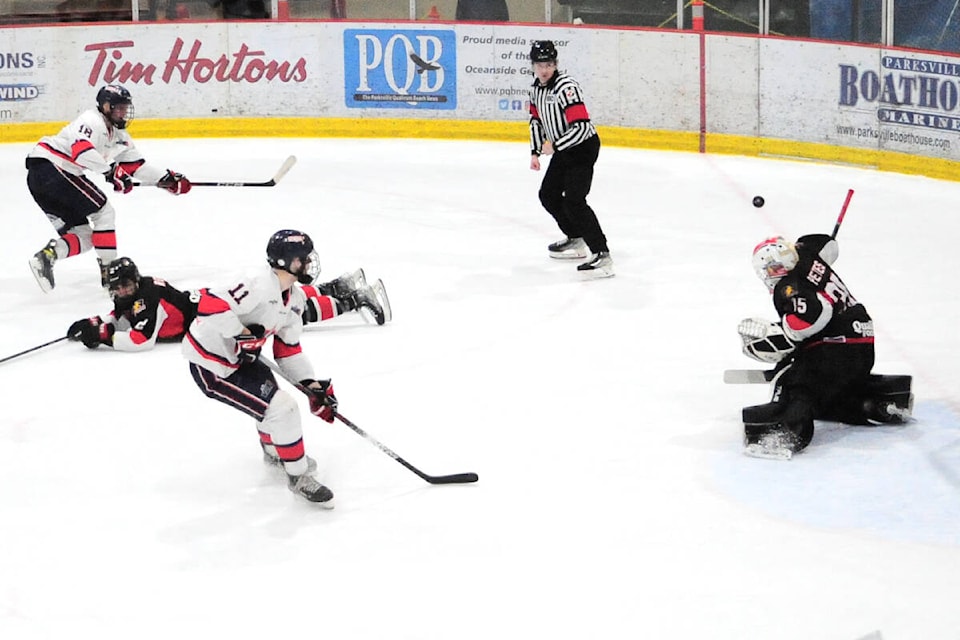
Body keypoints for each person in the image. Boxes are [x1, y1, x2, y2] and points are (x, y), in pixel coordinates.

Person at [181, 229, 345, 505]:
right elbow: (209, 305)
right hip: (211, 363)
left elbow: (288, 349)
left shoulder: (294, 299)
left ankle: (274, 451)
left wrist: (310, 385)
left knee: (273, 404)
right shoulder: (255, 283)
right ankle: (298, 476)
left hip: (243, 358)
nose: (308, 264)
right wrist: (240, 332)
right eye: (302, 259)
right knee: (282, 409)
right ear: (284, 261)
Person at [737, 233, 913, 459]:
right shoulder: (807, 254)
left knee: (799, 385)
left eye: (773, 269)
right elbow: (828, 245)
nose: (771, 274)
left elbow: (817, 313)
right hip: (862, 343)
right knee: (827, 395)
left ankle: (785, 434)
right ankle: (875, 403)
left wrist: (785, 333)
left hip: (836, 350)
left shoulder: (789, 285)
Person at [26, 84, 192, 293]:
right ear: (105, 106)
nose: (123, 112)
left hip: (43, 178)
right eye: (118, 108)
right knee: (104, 212)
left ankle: (47, 257)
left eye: (125, 108)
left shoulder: (119, 136)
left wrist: (167, 179)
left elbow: (136, 166)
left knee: (85, 236)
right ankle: (110, 274)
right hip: (52, 168)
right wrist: (111, 172)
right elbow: (81, 151)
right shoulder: (91, 120)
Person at [66, 256, 389, 352]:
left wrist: (105, 337)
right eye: (116, 287)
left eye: (124, 285)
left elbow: (140, 340)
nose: (121, 291)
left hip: (215, 313)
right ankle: (337, 287)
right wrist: (96, 323)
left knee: (291, 309)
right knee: (282, 296)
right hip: (210, 301)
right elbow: (122, 315)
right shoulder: (138, 293)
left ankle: (353, 299)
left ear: (135, 282)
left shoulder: (146, 300)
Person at [528, 40, 613, 279]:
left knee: (575, 200)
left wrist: (554, 146)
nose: (544, 69)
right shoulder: (535, 89)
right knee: (548, 195)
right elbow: (536, 121)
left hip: (583, 148)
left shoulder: (566, 87)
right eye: (540, 64)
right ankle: (576, 239)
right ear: (533, 66)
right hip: (564, 149)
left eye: (549, 64)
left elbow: (581, 126)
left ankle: (602, 254)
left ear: (555, 64)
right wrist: (535, 151)